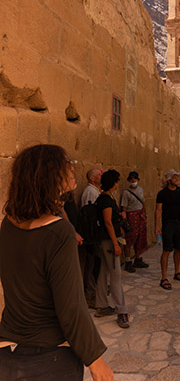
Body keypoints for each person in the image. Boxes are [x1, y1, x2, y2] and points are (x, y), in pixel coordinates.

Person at [0, 144, 113, 381]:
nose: (71, 168)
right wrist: (95, 359)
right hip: (49, 359)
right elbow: (71, 307)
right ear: (48, 175)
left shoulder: (8, 225)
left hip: (8, 353)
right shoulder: (59, 232)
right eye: (64, 164)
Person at [95, 169, 129, 329]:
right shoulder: (106, 200)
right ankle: (122, 311)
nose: (118, 184)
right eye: (117, 181)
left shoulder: (104, 198)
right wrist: (115, 243)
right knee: (116, 276)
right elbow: (108, 222)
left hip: (104, 241)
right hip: (109, 242)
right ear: (112, 182)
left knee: (103, 273)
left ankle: (101, 305)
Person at [155, 169, 180, 290]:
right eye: (175, 178)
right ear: (169, 180)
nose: (177, 180)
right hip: (167, 224)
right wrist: (156, 226)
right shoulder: (162, 194)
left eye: (177, 178)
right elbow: (158, 210)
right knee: (166, 250)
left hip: (178, 223)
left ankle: (177, 272)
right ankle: (164, 277)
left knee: (178, 249)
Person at [79, 168, 102, 309]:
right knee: (92, 264)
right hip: (92, 236)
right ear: (92, 178)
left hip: (95, 235)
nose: (101, 176)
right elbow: (90, 215)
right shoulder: (90, 192)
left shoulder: (94, 191)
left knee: (96, 264)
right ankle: (90, 295)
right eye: (99, 175)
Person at [121, 171, 149, 273]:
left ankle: (137, 258)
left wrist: (145, 214)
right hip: (131, 216)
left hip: (140, 216)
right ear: (129, 180)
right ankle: (128, 261)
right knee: (129, 238)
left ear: (138, 180)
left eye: (135, 178)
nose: (133, 180)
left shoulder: (141, 189)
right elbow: (123, 207)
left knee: (140, 237)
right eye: (131, 178)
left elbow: (143, 202)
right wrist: (125, 220)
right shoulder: (126, 193)